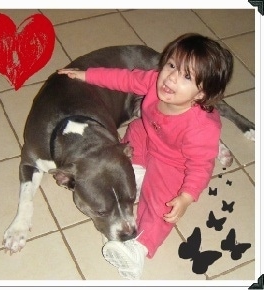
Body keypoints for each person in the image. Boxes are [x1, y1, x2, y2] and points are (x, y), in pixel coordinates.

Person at [58, 33, 234, 280]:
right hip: (150, 133)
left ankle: (139, 249)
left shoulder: (202, 128)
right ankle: (137, 175)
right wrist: (85, 75)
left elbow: (200, 166)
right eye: (171, 65)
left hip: (175, 161)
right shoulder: (154, 83)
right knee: (134, 131)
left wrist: (186, 197)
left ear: (201, 95)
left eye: (186, 76)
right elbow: (123, 79)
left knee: (162, 202)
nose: (171, 77)